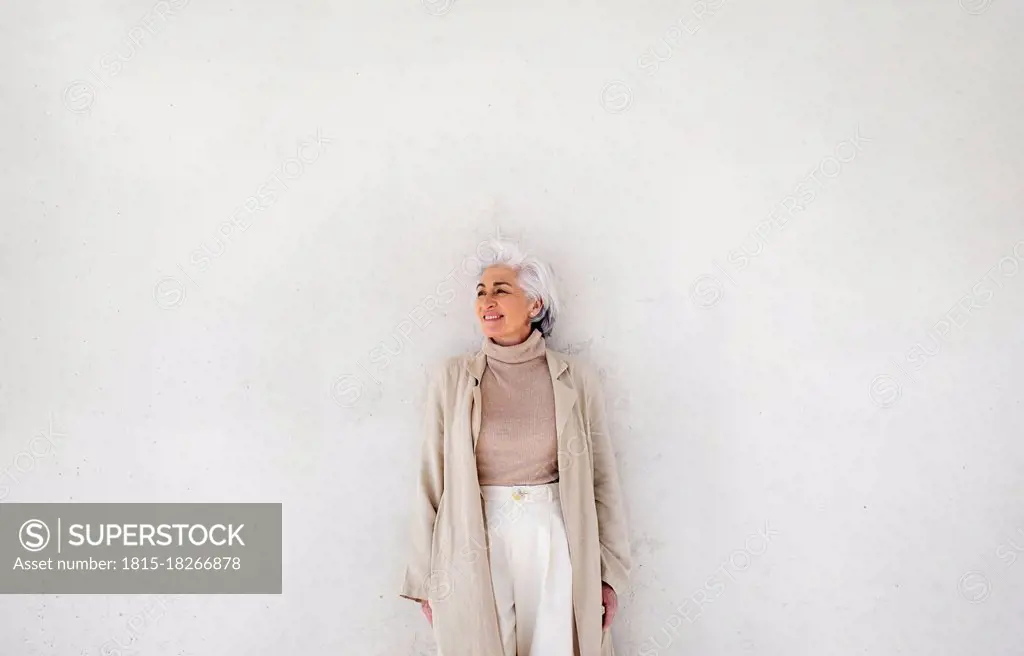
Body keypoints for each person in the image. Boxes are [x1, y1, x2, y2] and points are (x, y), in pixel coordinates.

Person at [399, 237, 631, 656]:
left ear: (535, 305)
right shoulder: (452, 379)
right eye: (481, 292)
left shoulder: (575, 379)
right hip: (472, 535)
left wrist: (609, 574)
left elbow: (602, 481)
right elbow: (431, 480)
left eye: (501, 290)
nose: (487, 301)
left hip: (556, 535)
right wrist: (425, 580)